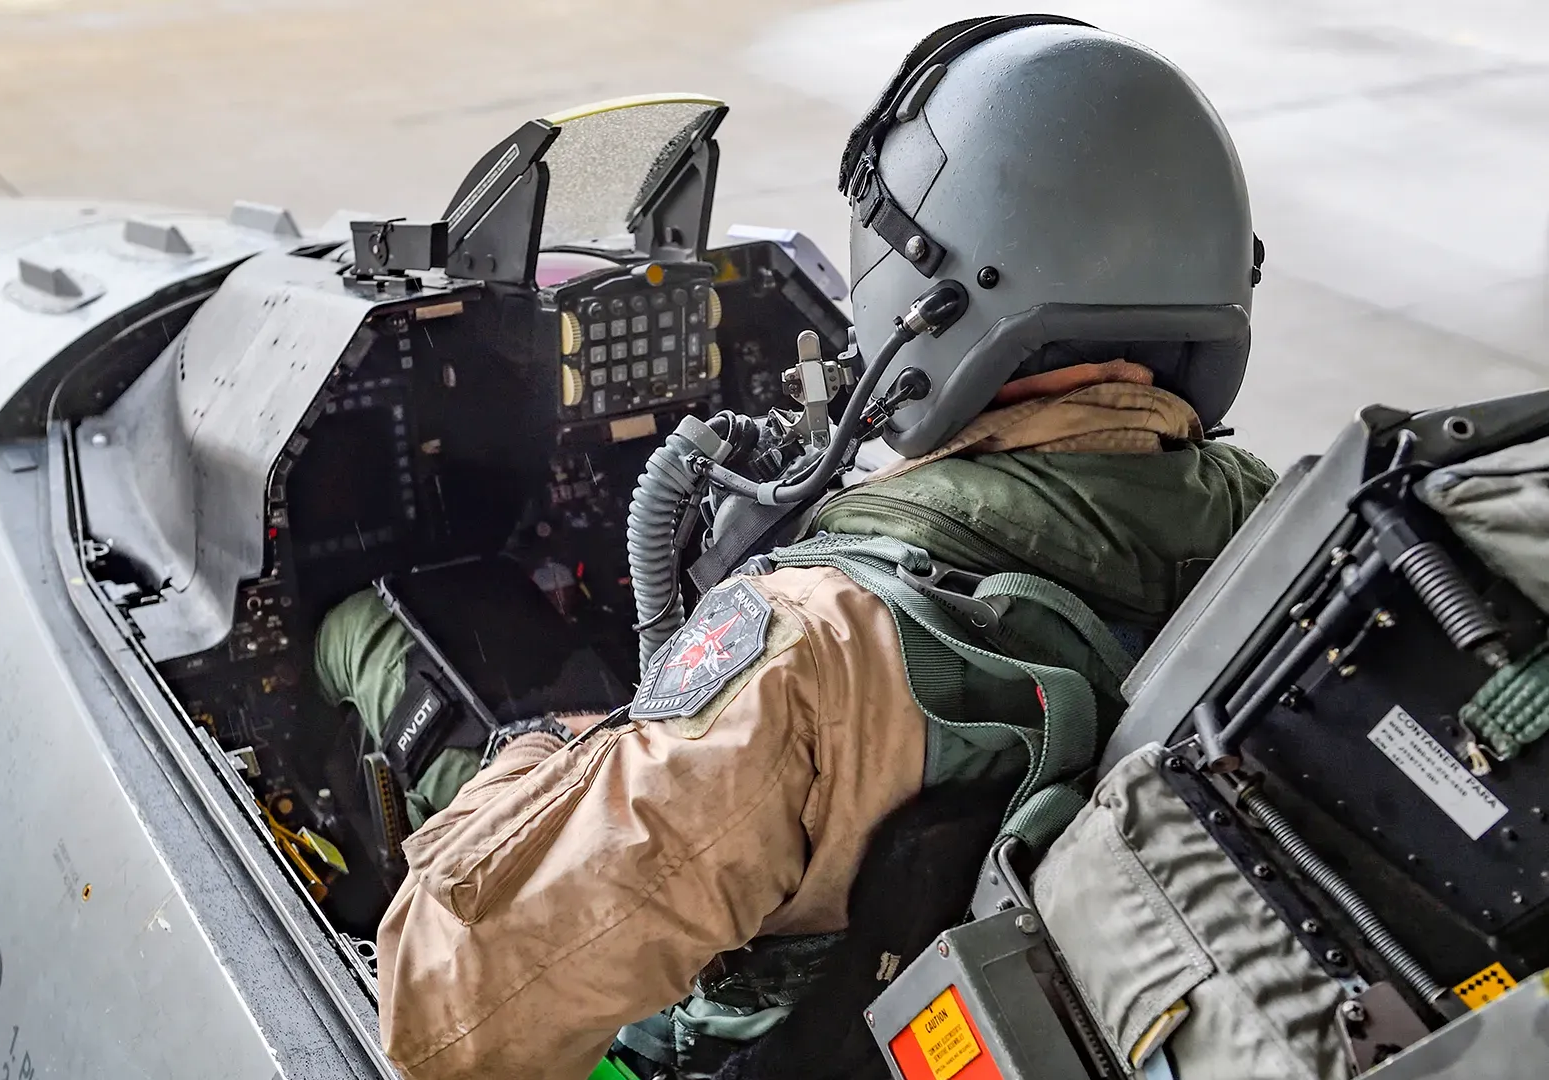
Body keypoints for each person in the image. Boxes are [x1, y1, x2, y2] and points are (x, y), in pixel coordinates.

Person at [377, 16, 1279, 1080]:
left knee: (371, 643)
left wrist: (550, 754)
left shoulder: (820, 649)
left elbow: (449, 1017)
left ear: (943, 286)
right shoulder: (1285, 541)